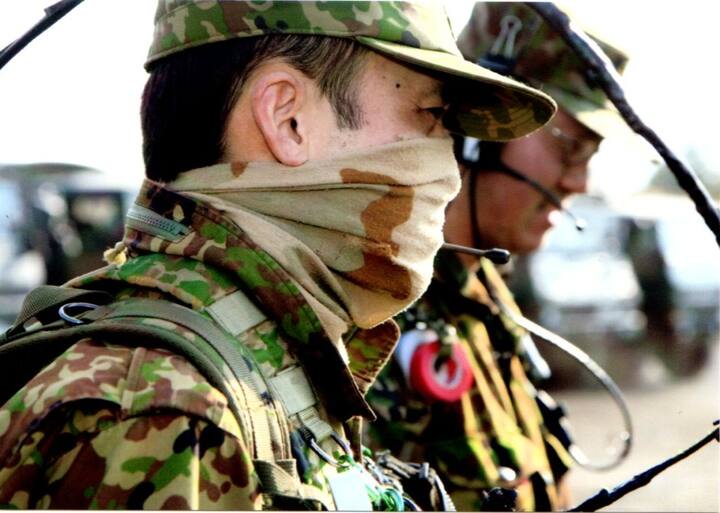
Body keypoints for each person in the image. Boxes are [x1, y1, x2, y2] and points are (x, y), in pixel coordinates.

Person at [0, 1, 555, 509]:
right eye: (429, 114)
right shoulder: (166, 411)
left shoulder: (259, 353)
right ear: (288, 119)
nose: (448, 166)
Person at [366, 3, 629, 511]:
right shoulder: (381, 316)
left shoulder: (488, 302)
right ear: (482, 131)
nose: (579, 182)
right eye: (571, 149)